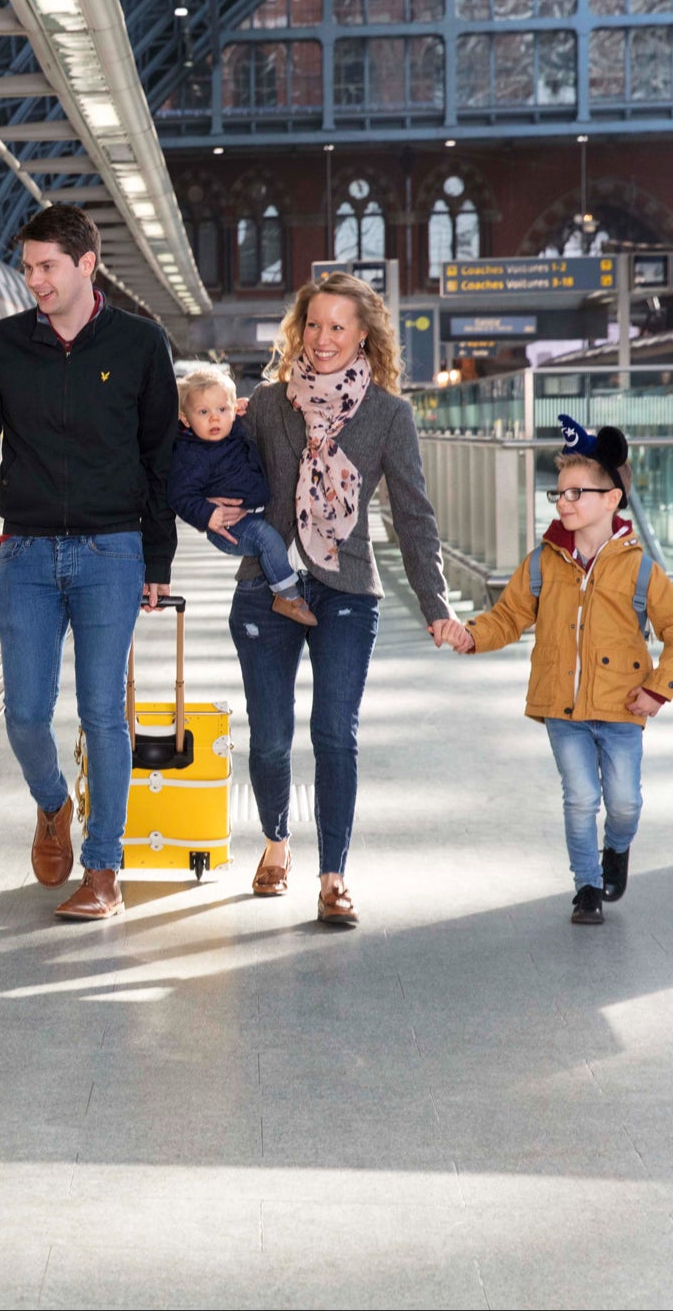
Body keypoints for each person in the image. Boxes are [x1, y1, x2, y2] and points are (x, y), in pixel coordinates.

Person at [0, 206, 177, 922]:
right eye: (27, 267)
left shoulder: (142, 344)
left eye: (46, 266)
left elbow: (160, 458)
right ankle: (54, 804)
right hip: (24, 552)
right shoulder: (2, 348)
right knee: (25, 714)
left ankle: (102, 870)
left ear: (86, 264)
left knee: (102, 714)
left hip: (111, 552)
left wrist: (159, 557)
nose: (34, 280)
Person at [225, 271, 450, 928]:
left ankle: (333, 876)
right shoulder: (267, 405)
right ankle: (275, 840)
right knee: (269, 739)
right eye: (314, 325)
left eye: (338, 327)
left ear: (364, 336)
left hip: (348, 587)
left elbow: (414, 514)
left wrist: (434, 602)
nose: (323, 339)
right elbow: (227, 476)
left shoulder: (388, 414)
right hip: (267, 589)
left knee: (334, 734)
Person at [432, 417, 673, 926]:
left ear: (612, 499)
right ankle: (587, 888)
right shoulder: (542, 563)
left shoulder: (641, 569)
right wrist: (469, 635)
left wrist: (659, 690)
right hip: (563, 708)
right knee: (579, 799)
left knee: (623, 804)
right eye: (560, 492)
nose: (564, 501)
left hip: (623, 708)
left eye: (578, 492)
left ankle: (615, 849)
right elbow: (507, 617)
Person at [170, 367, 317, 627]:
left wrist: (239, 411)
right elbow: (179, 495)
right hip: (226, 526)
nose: (214, 419)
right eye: (203, 413)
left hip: (252, 513)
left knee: (269, 536)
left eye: (222, 410)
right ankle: (287, 595)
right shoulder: (191, 454)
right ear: (185, 418)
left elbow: (238, 419)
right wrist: (207, 514)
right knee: (267, 540)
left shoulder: (232, 429)